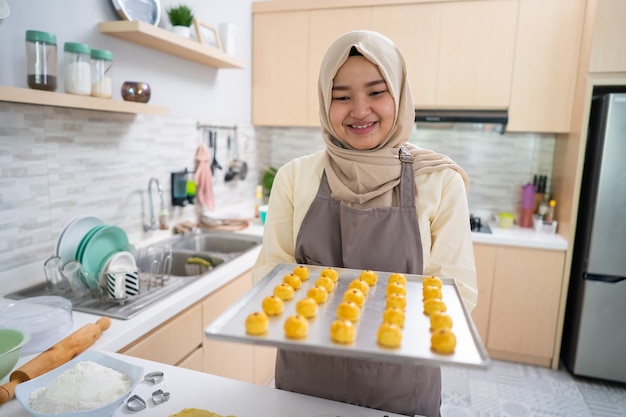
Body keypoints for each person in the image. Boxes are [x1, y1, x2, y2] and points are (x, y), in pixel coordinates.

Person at [253, 30, 477, 417]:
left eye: (376, 91)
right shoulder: (294, 177)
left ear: (400, 93)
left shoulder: (439, 181)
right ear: (325, 102)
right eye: (341, 96)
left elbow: (455, 298)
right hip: (306, 381)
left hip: (401, 384)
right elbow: (270, 280)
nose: (359, 110)